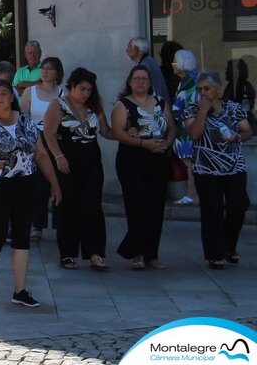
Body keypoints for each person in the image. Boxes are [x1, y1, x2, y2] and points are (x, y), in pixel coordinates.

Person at [0, 80, 61, 308]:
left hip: (26, 183)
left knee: (21, 236)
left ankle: (20, 290)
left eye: (4, 93)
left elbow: (41, 155)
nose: (0, 97)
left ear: (11, 96)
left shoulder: (26, 122)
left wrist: (54, 184)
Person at [42, 68, 111, 271]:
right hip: (68, 161)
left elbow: (105, 130)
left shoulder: (94, 106)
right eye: (82, 89)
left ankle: (95, 252)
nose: (86, 93)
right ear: (71, 86)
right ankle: (68, 254)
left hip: (91, 161)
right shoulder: (58, 105)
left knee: (93, 205)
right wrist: (58, 156)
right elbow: (49, 133)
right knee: (68, 206)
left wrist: (129, 134)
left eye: (89, 90)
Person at [185, 71, 253, 269]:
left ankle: (229, 246)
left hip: (234, 166)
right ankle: (215, 254)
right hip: (206, 168)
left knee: (239, 204)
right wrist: (203, 112)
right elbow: (194, 133)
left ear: (218, 89)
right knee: (212, 211)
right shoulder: (193, 109)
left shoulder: (233, 108)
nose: (203, 93)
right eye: (200, 90)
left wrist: (237, 137)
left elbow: (247, 130)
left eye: (207, 88)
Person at [110, 64, 175, 270]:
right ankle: (136, 252)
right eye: (136, 78)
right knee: (138, 205)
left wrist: (168, 143)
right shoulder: (122, 105)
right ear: (129, 82)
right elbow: (117, 132)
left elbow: (172, 127)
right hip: (133, 159)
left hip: (158, 157)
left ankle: (151, 255)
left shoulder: (160, 102)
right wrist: (142, 143)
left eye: (144, 78)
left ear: (150, 82)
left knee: (156, 206)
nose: (140, 82)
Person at [24, 57, 64, 241]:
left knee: (59, 181)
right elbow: (22, 118)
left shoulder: (64, 93)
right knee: (38, 184)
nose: (45, 71)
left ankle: (60, 223)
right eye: (43, 68)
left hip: (57, 141)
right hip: (36, 141)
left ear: (57, 72)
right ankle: (37, 225)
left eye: (49, 69)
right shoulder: (30, 92)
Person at [170, 49, 200, 206]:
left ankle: (193, 195)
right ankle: (192, 194)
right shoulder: (189, 80)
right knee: (191, 163)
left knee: (191, 163)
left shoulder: (189, 82)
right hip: (187, 128)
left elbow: (185, 107)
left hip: (187, 130)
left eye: (175, 61)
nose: (172, 65)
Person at [126, 37, 170, 101]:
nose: (126, 49)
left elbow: (141, 90)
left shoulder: (144, 65)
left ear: (137, 49)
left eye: (129, 46)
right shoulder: (149, 61)